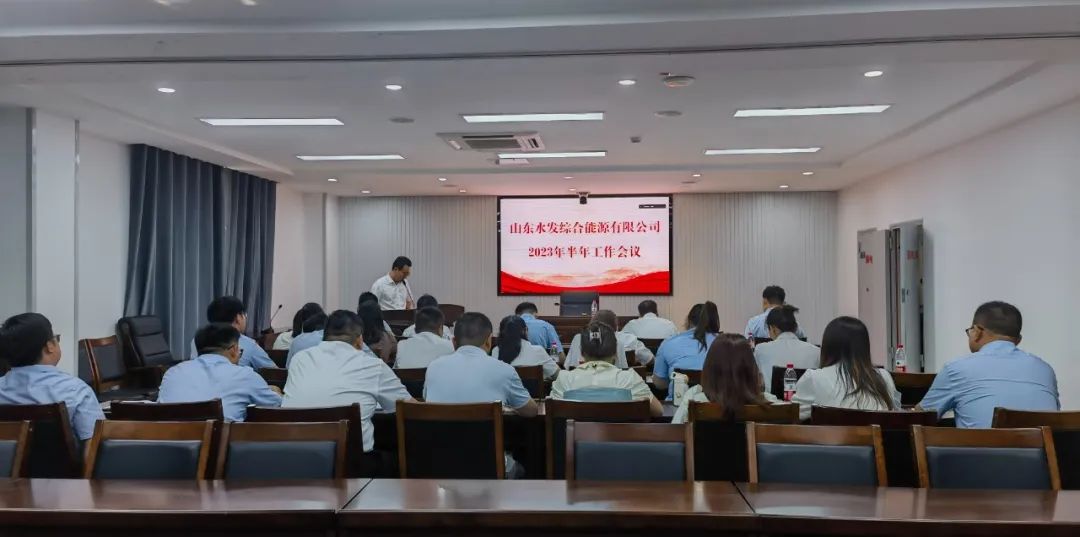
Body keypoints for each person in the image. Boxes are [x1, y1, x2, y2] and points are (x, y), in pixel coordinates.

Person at [283, 310, 413, 452]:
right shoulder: (373, 366)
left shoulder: (299, 360)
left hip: (293, 455)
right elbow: (410, 409)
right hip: (351, 460)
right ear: (360, 340)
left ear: (324, 336)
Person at [918, 302, 1058, 428]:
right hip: (1043, 449)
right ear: (1018, 340)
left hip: (980, 449)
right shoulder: (1045, 370)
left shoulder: (955, 369)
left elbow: (920, 418)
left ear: (977, 331)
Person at [0, 313, 104, 441]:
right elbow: (95, 443)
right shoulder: (76, 390)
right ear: (50, 346)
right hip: (61, 455)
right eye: (56, 338)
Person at [160, 323, 282, 422]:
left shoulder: (172, 373)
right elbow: (276, 406)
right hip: (217, 443)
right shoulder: (245, 376)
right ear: (234, 349)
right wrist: (275, 392)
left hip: (166, 441)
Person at [423, 312, 538, 417]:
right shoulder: (504, 370)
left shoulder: (433, 367)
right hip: (488, 434)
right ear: (488, 341)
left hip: (437, 434)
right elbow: (531, 411)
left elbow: (426, 399)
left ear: (453, 342)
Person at [792, 316, 900, 421]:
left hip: (831, 433)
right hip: (877, 433)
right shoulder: (884, 377)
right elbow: (897, 413)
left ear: (827, 346)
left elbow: (792, 415)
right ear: (865, 347)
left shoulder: (814, 378)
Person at [551, 321, 662, 417]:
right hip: (620, 436)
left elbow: (552, 412)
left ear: (582, 353)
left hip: (573, 435)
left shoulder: (564, 379)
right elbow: (658, 411)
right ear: (615, 353)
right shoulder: (630, 379)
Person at [672, 334, 779, 424]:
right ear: (752, 369)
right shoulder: (771, 404)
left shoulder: (694, 399)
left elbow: (675, 434)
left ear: (709, 368)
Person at [653, 302, 720, 397]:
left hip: (678, 403)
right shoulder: (726, 344)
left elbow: (659, 383)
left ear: (689, 321)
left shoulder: (669, 342)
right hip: (716, 404)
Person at [188, 296, 275, 369]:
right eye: (244, 314)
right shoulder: (249, 345)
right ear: (238, 318)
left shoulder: (196, 341)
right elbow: (274, 373)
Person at [753, 305, 819, 386]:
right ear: (795, 327)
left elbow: (756, 380)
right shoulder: (816, 352)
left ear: (773, 328)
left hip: (771, 395)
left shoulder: (761, 350)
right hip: (806, 394)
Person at [564, 310, 654, 369]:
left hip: (577, 386)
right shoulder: (627, 340)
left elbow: (567, 366)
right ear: (616, 327)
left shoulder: (578, 339)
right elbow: (649, 359)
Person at [491, 316, 560, 380]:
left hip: (503, 390)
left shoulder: (495, 351)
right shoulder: (538, 351)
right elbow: (557, 375)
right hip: (532, 390)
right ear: (525, 330)